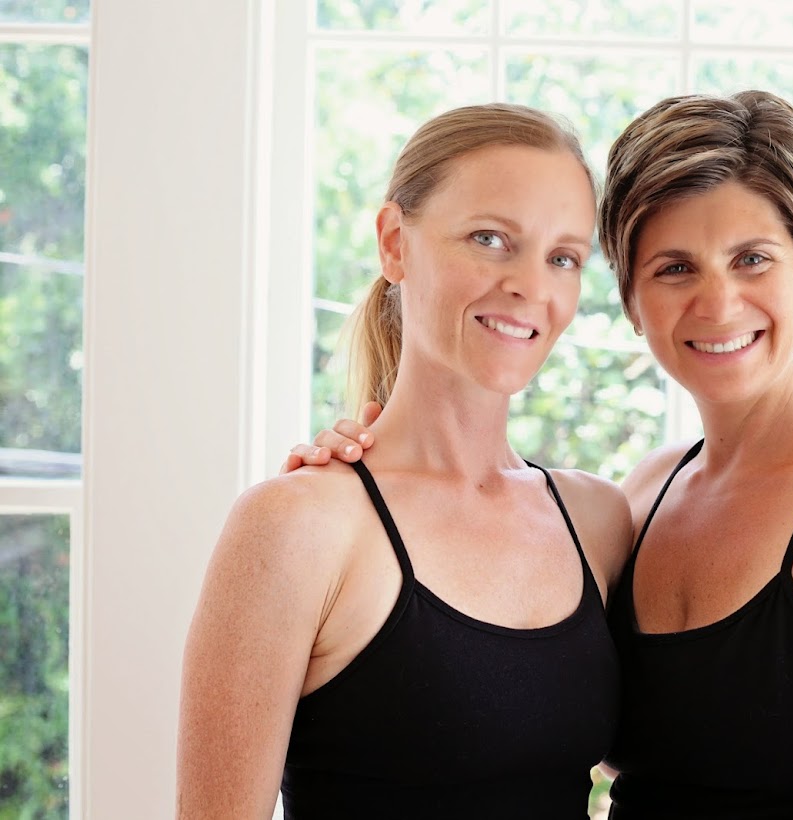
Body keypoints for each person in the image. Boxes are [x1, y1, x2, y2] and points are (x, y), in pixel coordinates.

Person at [288, 90, 793, 818]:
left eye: (752, 259)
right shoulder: (637, 502)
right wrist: (344, 494)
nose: (718, 303)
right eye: (673, 268)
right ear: (631, 302)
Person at [177, 102, 632, 820]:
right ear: (395, 243)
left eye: (563, 257)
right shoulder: (298, 527)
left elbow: (678, 764)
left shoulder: (599, 522)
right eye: (489, 238)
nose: (530, 286)